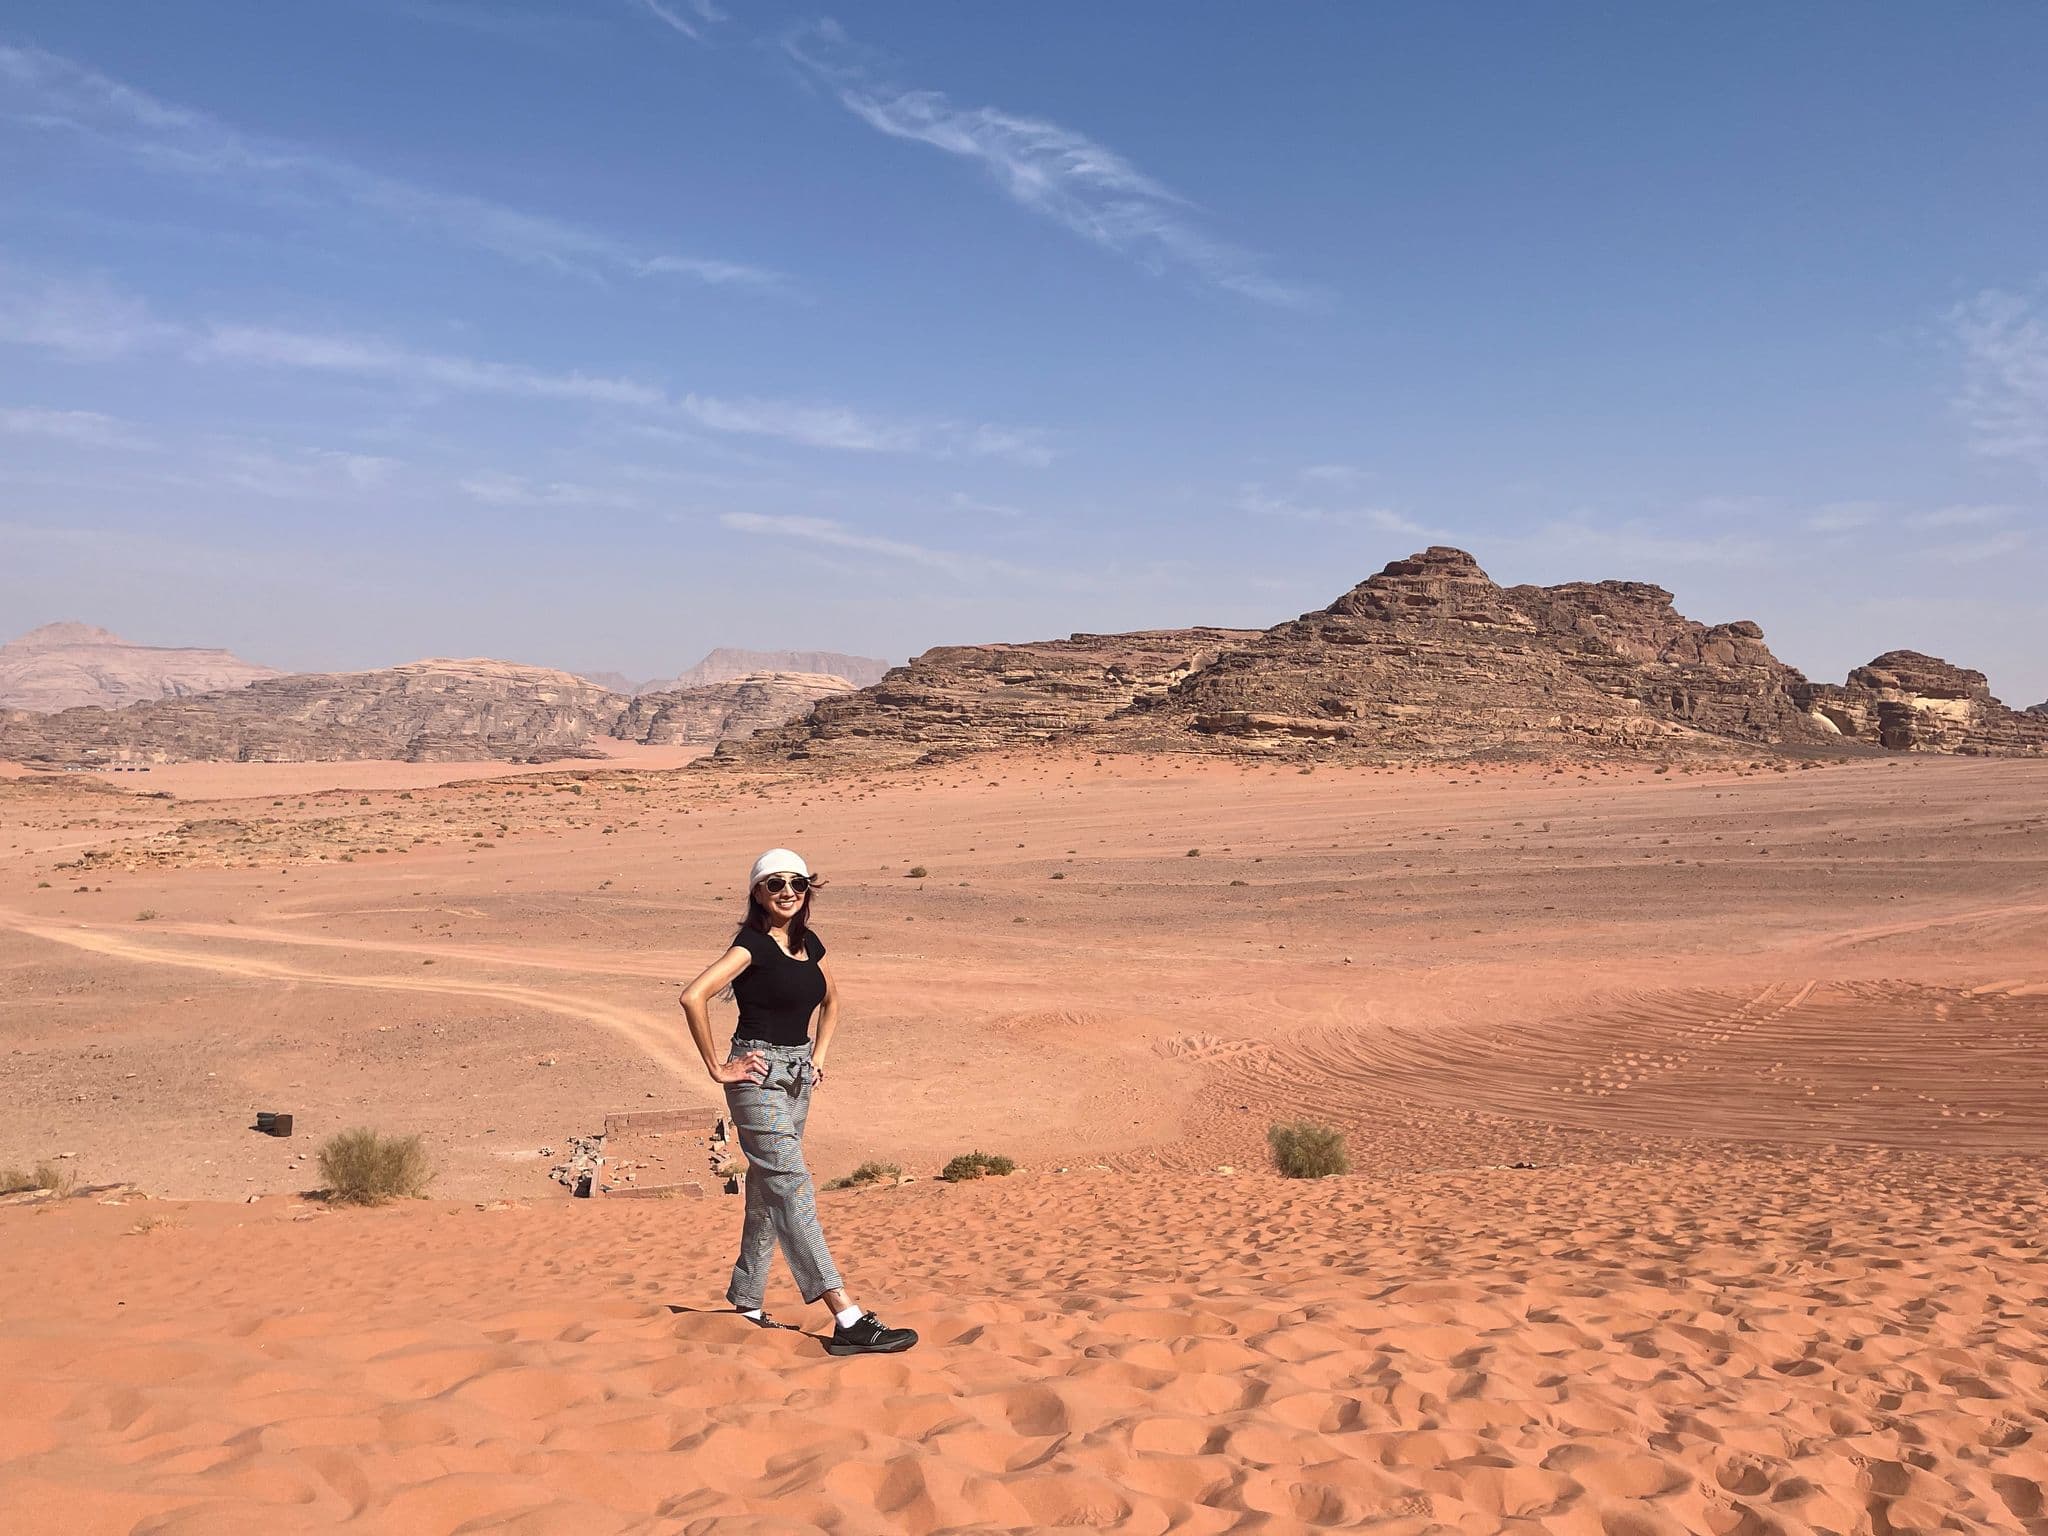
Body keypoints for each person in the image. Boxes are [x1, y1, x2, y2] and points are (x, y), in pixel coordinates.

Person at [679, 848, 918, 1356]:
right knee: (792, 1184)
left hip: (796, 1076)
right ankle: (846, 1315)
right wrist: (718, 1068)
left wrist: (819, 1056)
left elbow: (832, 1000)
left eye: (798, 882)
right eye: (775, 883)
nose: (788, 891)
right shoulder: (751, 946)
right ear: (757, 893)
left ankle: (746, 1298)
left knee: (769, 1188)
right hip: (757, 1075)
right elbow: (692, 996)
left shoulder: (809, 943)